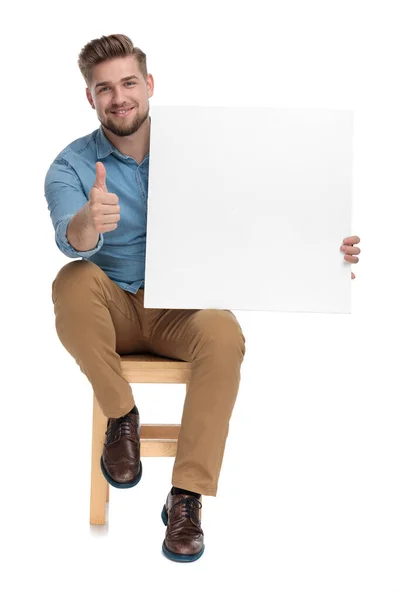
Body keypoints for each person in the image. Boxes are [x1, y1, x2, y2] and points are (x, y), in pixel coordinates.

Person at [44, 33, 362, 563]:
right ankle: (122, 416)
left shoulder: (207, 147)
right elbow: (68, 237)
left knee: (224, 333)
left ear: (148, 85)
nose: (118, 97)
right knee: (70, 280)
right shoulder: (71, 166)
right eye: (104, 89)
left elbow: (269, 210)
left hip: (181, 307)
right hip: (113, 305)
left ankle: (186, 497)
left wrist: (322, 254)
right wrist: (86, 221)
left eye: (128, 83)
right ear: (90, 98)